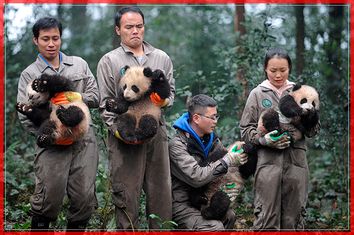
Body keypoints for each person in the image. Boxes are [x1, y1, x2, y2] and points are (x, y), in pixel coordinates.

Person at [16, 17, 99, 231]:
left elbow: (95, 96)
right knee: (48, 197)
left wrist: (73, 98)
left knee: (83, 197)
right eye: (45, 39)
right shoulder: (29, 74)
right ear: (36, 40)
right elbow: (25, 115)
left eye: (55, 38)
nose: (51, 43)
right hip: (52, 142)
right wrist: (53, 132)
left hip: (83, 140)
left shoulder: (79, 64)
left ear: (61, 38)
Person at [96, 6, 175, 230]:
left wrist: (164, 101)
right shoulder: (109, 61)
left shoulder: (161, 57)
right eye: (129, 27)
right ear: (118, 30)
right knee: (126, 195)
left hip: (156, 132)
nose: (135, 31)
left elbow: (172, 92)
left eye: (139, 26)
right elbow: (106, 103)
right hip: (124, 135)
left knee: (160, 193)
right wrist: (119, 131)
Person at [239, 48, 320, 230]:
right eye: (273, 70)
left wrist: (308, 120)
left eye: (283, 70)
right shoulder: (257, 94)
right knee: (266, 217)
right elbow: (245, 129)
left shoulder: (301, 92)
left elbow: (314, 130)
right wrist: (264, 140)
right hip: (267, 163)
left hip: (296, 163)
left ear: (289, 69)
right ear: (265, 70)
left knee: (294, 218)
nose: (278, 75)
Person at [169, 94, 248, 230]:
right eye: (212, 117)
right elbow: (197, 177)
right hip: (181, 205)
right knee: (215, 227)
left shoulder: (211, 139)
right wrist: (227, 160)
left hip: (203, 200)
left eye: (216, 116)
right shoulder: (177, 145)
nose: (215, 121)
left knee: (230, 216)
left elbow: (225, 162)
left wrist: (237, 153)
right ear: (196, 118)